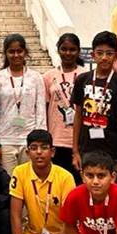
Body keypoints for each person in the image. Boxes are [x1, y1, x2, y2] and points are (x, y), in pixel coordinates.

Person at [9, 129, 77, 234]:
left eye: (44, 148)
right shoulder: (19, 172)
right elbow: (15, 215)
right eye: (33, 148)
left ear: (52, 152)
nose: (39, 152)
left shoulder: (66, 177)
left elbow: (69, 223)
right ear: (27, 152)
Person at [71, 31, 117, 178]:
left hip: (113, 152)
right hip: (86, 150)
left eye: (109, 53)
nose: (104, 57)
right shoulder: (82, 80)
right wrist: (75, 151)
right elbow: (78, 115)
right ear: (93, 55)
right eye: (100, 53)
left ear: (116, 56)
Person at [0, 34, 47, 173]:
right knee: (8, 181)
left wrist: (40, 139)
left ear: (25, 52)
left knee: (29, 179)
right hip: (6, 140)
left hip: (29, 140)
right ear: (5, 53)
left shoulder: (35, 77)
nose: (16, 55)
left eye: (19, 51)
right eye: (11, 51)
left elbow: (40, 110)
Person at [43, 33, 88, 175]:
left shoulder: (86, 75)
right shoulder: (48, 76)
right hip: (56, 138)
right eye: (64, 49)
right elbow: (45, 107)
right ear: (58, 50)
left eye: (72, 49)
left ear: (79, 51)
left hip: (80, 140)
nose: (68, 53)